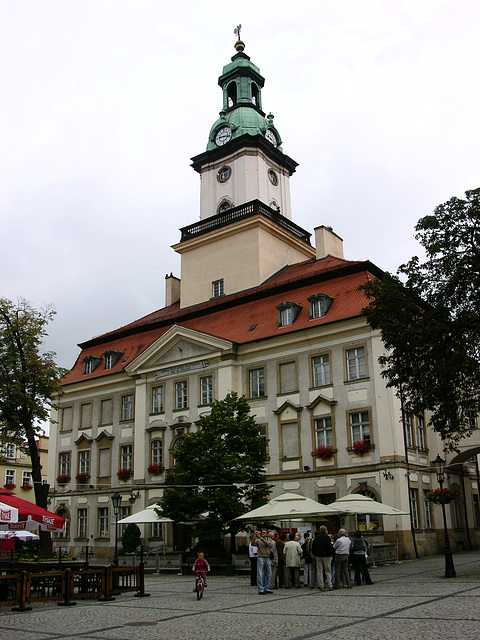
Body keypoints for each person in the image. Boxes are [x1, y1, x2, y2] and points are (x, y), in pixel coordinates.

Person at [252, 529, 275, 594]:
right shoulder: (259, 540)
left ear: (267, 534)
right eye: (262, 532)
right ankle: (260, 589)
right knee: (260, 573)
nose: (262, 533)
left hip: (267, 557)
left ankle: (266, 588)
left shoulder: (269, 539)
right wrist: (255, 537)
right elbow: (253, 544)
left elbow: (268, 544)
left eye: (264, 533)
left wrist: (261, 538)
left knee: (269, 573)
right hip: (260, 557)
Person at [311, 526, 334, 591]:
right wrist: (330, 554)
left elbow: (313, 548)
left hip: (318, 556)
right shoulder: (327, 538)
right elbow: (330, 547)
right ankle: (330, 584)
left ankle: (321, 585)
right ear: (325, 531)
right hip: (326, 556)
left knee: (319, 571)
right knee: (328, 570)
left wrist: (315, 554)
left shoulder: (316, 538)